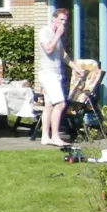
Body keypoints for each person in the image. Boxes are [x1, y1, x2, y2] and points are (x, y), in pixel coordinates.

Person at [37, 8, 70, 146]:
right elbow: (49, 49)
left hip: (56, 73)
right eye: (61, 20)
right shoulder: (45, 32)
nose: (63, 23)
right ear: (53, 19)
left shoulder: (58, 35)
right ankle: (55, 136)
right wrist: (57, 35)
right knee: (60, 103)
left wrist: (76, 68)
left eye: (65, 21)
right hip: (47, 73)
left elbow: (62, 54)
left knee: (49, 105)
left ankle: (45, 137)